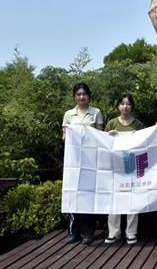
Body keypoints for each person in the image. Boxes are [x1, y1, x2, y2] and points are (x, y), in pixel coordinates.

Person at [62, 82, 104, 245]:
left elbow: (100, 136)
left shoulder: (96, 112)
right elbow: (65, 137)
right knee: (72, 194)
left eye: (84, 94)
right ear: (74, 97)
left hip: (90, 160)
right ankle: (73, 232)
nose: (81, 97)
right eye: (78, 94)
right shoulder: (68, 115)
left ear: (89, 96)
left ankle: (88, 232)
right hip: (73, 160)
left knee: (87, 195)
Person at [104, 93, 145, 245]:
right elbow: (103, 144)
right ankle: (113, 233)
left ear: (132, 106)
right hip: (115, 168)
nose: (125, 106)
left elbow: (146, 142)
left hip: (132, 166)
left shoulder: (138, 124)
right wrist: (109, 136)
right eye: (122, 103)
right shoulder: (112, 123)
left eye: (128, 104)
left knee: (132, 201)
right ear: (118, 106)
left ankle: (131, 233)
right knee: (114, 199)